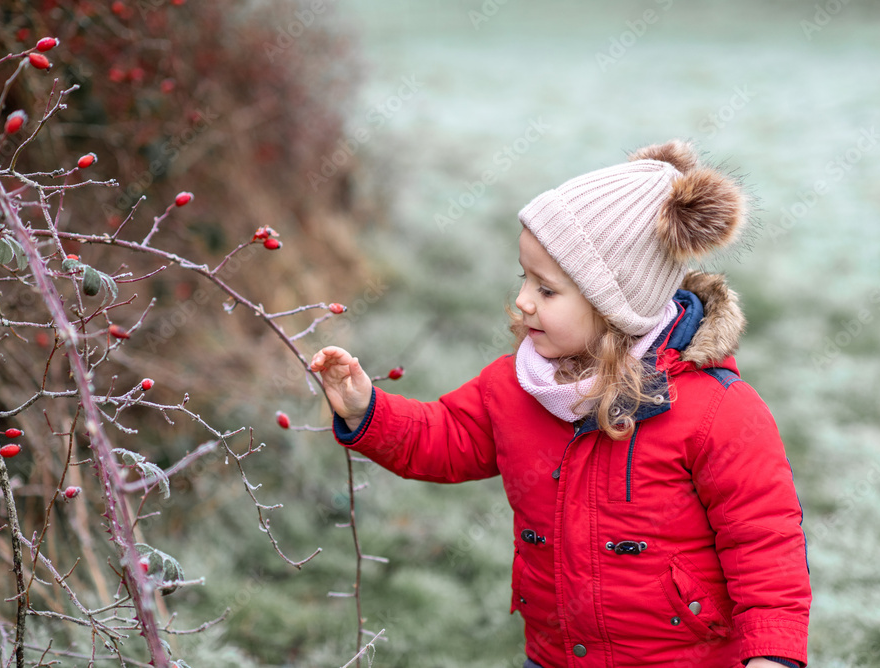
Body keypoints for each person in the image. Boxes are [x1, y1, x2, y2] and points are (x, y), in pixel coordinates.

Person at [310, 140, 811, 668]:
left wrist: (771, 656)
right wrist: (366, 409)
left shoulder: (716, 411)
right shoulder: (519, 385)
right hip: (556, 656)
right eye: (523, 277)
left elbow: (764, 543)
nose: (524, 299)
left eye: (547, 290)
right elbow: (445, 438)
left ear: (613, 306)